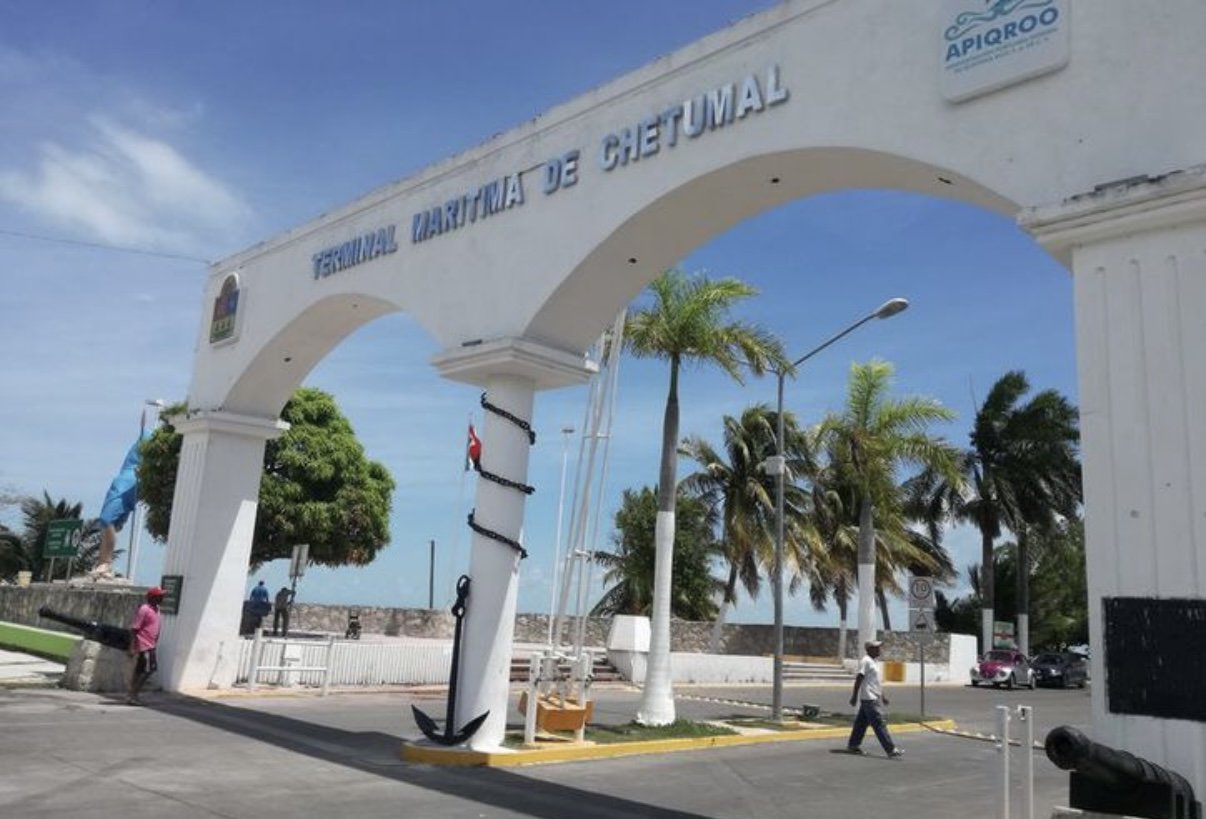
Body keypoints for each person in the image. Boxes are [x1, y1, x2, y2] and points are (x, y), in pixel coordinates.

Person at [846, 639, 903, 758]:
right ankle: (891, 749)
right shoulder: (866, 661)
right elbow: (859, 678)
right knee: (879, 723)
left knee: (860, 724)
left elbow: (875, 682)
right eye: (876, 647)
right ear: (869, 649)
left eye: (879, 647)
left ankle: (853, 745)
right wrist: (854, 696)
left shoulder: (873, 662)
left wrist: (883, 696)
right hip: (869, 699)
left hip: (871, 697)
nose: (879, 649)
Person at [127, 586, 164, 705]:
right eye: (160, 596)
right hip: (144, 645)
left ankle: (132, 694)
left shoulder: (157, 609)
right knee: (149, 670)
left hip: (151, 644)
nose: (162, 598)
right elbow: (134, 629)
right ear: (153, 597)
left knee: (140, 671)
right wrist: (132, 647)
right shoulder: (145, 609)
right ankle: (134, 694)